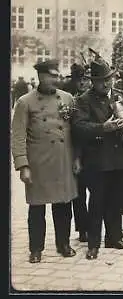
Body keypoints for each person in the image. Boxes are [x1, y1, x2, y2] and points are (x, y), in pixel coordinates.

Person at [11, 59, 78, 263]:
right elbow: (18, 136)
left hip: (63, 161)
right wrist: (23, 165)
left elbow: (76, 132)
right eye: (52, 76)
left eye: (58, 75)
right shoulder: (25, 102)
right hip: (39, 162)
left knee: (64, 206)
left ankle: (63, 244)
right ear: (41, 76)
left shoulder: (67, 99)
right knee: (37, 208)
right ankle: (36, 249)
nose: (56, 79)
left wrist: (77, 158)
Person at [72, 56, 123, 260]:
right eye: (101, 80)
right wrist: (102, 128)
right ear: (93, 81)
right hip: (97, 161)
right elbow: (78, 127)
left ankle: (114, 237)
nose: (106, 83)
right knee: (97, 202)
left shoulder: (118, 97)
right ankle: (93, 244)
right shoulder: (83, 100)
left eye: (108, 79)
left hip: (117, 158)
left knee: (115, 200)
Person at [60, 63, 92, 243]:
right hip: (74, 150)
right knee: (78, 194)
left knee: (99, 192)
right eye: (79, 80)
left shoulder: (94, 98)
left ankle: (105, 225)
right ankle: (83, 229)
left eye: (86, 79)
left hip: (94, 150)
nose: (82, 83)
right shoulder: (69, 99)